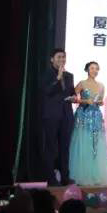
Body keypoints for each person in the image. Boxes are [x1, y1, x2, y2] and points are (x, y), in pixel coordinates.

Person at [69, 61, 107, 185]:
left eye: (96, 69)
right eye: (92, 68)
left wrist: (100, 102)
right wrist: (85, 101)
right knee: (83, 143)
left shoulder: (101, 85)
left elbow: (100, 100)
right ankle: (81, 175)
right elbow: (72, 98)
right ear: (87, 69)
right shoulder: (82, 83)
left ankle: (96, 174)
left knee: (96, 146)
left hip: (96, 116)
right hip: (83, 116)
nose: (94, 71)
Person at [40, 48, 75, 186]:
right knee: (51, 148)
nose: (62, 59)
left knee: (65, 148)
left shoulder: (69, 75)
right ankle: (51, 178)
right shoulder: (47, 74)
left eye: (63, 57)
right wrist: (57, 78)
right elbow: (46, 91)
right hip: (51, 116)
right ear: (52, 59)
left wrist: (74, 97)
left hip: (66, 115)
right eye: (59, 57)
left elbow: (71, 92)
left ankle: (65, 177)